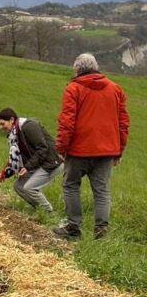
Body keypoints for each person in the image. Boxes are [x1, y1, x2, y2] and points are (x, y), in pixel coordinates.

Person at [53, 53, 130, 240]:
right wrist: (119, 150)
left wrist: (61, 148)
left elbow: (67, 122)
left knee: (71, 185)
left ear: (77, 69)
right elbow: (123, 123)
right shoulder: (115, 89)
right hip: (106, 151)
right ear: (96, 68)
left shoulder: (73, 88)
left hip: (79, 150)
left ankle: (73, 227)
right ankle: (101, 230)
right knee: (102, 190)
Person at [0, 108, 62, 214]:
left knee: (29, 188)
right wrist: (4, 174)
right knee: (19, 186)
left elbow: (42, 148)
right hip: (40, 162)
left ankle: (49, 212)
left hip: (52, 161)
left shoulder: (28, 126)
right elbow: (16, 157)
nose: (0, 127)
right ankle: (39, 209)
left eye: (2, 124)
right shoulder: (14, 134)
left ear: (11, 120)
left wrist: (28, 167)